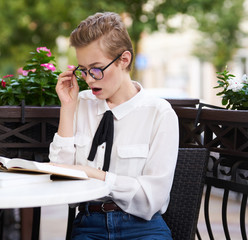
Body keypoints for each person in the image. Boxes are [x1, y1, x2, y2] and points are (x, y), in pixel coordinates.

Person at [49, 12, 179, 239]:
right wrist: (67, 108)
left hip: (143, 227)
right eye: (83, 70)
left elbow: (152, 198)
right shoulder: (80, 104)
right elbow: (60, 177)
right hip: (89, 224)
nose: (89, 79)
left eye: (96, 68)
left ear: (124, 60)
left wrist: (93, 174)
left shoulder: (159, 113)